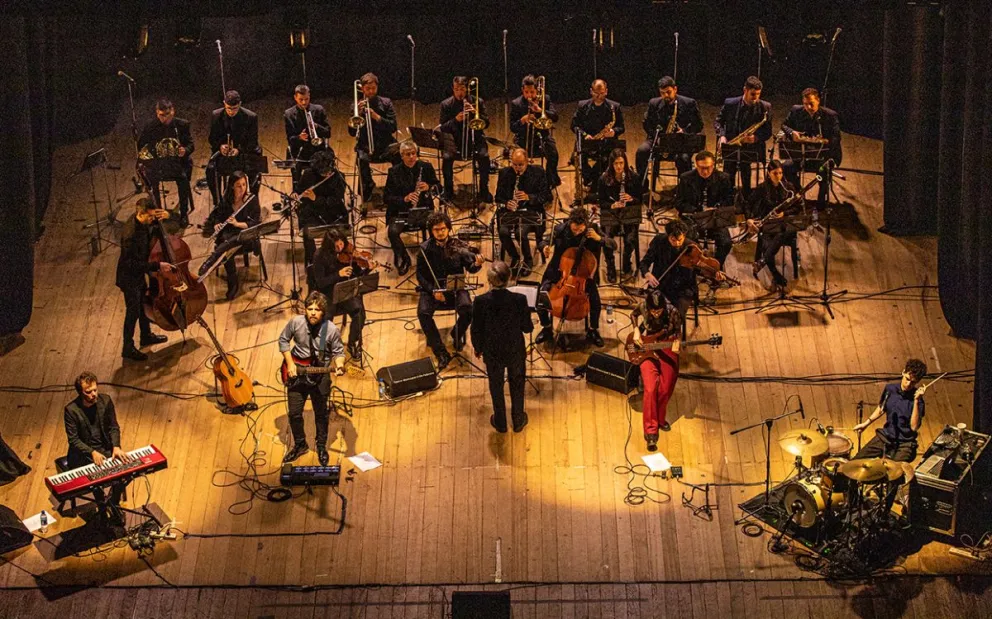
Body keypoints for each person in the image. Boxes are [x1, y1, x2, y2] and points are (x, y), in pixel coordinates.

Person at [851, 358, 929, 513]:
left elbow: (914, 427)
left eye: (912, 382)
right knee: (853, 465)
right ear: (903, 372)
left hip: (905, 444)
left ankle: (884, 512)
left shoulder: (918, 401)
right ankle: (854, 502)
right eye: (907, 379)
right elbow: (881, 408)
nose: (908, 384)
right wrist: (866, 423)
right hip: (886, 436)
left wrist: (916, 401)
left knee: (894, 476)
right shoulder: (890, 389)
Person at [278, 292, 346, 465]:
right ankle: (300, 445)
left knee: (321, 414)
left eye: (317, 309)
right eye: (310, 309)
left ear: (323, 312)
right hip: (296, 371)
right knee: (294, 414)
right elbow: (283, 341)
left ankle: (321, 446)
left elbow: (339, 352)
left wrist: (339, 364)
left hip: (320, 374)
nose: (313, 313)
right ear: (305, 309)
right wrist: (290, 364)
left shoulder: (330, 330)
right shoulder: (295, 322)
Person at [535, 207, 615, 348]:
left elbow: (612, 245)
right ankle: (546, 328)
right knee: (541, 297)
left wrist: (599, 238)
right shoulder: (560, 229)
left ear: (585, 224)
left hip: (584, 274)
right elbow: (542, 241)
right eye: (574, 230)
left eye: (580, 230)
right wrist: (545, 247)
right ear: (570, 223)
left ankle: (593, 330)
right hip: (559, 272)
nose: (577, 232)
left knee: (595, 301)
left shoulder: (593, 229)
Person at [471, 261, 534, 433]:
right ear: (509, 278)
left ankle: (500, 422)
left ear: (489, 281)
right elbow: (527, 327)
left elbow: (476, 328)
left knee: (496, 384)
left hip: (492, 351)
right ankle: (518, 419)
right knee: (517, 383)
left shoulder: (480, 301)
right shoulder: (520, 299)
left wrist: (478, 348)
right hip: (515, 349)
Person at [416, 212, 485, 370]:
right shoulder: (424, 249)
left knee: (468, 309)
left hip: (455, 286)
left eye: (443, 229)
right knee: (423, 313)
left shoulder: (459, 246)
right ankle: (440, 352)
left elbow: (471, 268)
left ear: (448, 229)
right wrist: (433, 290)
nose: (440, 232)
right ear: (431, 231)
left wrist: (478, 264)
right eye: (436, 230)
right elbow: (420, 275)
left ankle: (457, 333)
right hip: (433, 288)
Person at [63, 371, 128, 520]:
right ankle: (102, 506)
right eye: (88, 392)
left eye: (95, 390)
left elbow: (113, 427)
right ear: (80, 393)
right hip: (83, 455)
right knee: (97, 480)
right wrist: (92, 452)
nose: (94, 394)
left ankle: (114, 502)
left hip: (105, 449)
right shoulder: (71, 410)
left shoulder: (105, 401)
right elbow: (74, 440)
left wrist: (116, 446)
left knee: (124, 473)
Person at [116, 197, 173, 361]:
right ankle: (127, 347)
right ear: (139, 213)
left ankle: (146, 335)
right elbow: (133, 264)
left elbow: (158, 228)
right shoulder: (130, 235)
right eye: (149, 216)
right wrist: (156, 266)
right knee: (132, 312)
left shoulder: (143, 223)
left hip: (138, 274)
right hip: (129, 277)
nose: (152, 219)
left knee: (142, 305)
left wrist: (167, 216)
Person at [628, 290, 683, 451]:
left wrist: (678, 342)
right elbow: (633, 314)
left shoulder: (672, 311)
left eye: (659, 311)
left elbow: (678, 330)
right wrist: (636, 330)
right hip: (648, 346)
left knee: (665, 388)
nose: (656, 314)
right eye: (653, 311)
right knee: (651, 388)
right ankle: (650, 431)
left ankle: (659, 418)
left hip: (667, 344)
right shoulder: (644, 306)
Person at [197, 171, 260, 300]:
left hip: (246, 237)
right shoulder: (226, 200)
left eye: (244, 184)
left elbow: (255, 223)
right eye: (238, 185)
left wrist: (237, 224)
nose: (242, 189)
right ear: (231, 186)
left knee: (225, 245)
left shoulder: (251, 199)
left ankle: (212, 260)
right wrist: (216, 225)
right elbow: (217, 216)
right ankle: (233, 281)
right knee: (227, 246)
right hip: (229, 237)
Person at [311, 228, 372, 359]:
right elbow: (321, 282)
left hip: (345, 290)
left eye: (341, 244)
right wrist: (338, 274)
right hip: (327, 293)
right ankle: (322, 348)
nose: (340, 247)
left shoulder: (348, 253)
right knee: (326, 319)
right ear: (329, 245)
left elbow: (357, 275)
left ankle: (352, 342)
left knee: (359, 313)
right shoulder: (319, 256)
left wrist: (367, 270)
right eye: (336, 245)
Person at [635, 76, 704, 192]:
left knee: (684, 158)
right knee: (641, 151)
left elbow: (699, 124)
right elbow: (646, 124)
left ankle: (685, 190)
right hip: (658, 139)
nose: (666, 96)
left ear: (675, 89)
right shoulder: (654, 103)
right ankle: (643, 187)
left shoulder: (689, 103)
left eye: (668, 92)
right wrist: (656, 136)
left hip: (681, 141)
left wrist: (684, 131)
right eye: (662, 93)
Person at [383, 140, 440, 275]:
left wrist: (429, 187)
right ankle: (404, 257)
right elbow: (386, 198)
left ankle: (431, 256)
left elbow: (439, 187)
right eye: (407, 154)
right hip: (400, 212)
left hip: (423, 210)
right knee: (392, 232)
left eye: (413, 153)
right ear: (401, 156)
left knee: (435, 226)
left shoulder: (425, 167)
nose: (411, 157)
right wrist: (404, 199)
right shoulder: (393, 172)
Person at [137, 98, 195, 226]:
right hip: (159, 164)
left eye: (167, 114)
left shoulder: (182, 125)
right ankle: (158, 214)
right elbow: (141, 146)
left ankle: (184, 214)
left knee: (183, 179)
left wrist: (184, 150)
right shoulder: (150, 127)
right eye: (161, 115)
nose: (164, 119)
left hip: (177, 163)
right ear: (157, 113)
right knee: (152, 180)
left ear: (172, 111)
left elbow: (191, 144)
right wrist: (151, 155)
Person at [495, 147, 551, 276]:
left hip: (531, 210)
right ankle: (514, 256)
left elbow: (545, 196)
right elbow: (498, 197)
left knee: (520, 232)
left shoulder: (538, 172)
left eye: (520, 165)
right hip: (510, 211)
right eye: (514, 164)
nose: (517, 168)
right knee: (503, 232)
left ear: (527, 161)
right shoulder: (504, 173)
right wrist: (507, 203)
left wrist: (529, 197)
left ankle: (528, 259)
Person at [294, 150, 348, 283]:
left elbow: (335, 201)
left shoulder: (338, 177)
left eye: (329, 170)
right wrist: (296, 195)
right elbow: (299, 190)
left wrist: (315, 198)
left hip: (332, 213)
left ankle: (340, 261)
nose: (328, 174)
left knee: (341, 232)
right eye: (324, 172)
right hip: (312, 213)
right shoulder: (308, 175)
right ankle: (313, 263)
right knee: (308, 233)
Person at [781, 87, 842, 205]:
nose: (808, 107)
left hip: (823, 156)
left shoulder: (830, 115)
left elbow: (836, 138)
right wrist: (791, 133)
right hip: (802, 154)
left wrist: (824, 141)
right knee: (786, 167)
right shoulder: (796, 110)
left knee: (824, 170)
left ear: (818, 101)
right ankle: (798, 193)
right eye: (805, 104)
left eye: (811, 104)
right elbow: (784, 125)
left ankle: (821, 199)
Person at [715, 76, 773, 198]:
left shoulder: (765, 107)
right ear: (744, 90)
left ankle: (747, 197)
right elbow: (718, 122)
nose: (755, 98)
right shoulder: (730, 103)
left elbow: (768, 132)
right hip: (731, 144)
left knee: (745, 170)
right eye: (753, 94)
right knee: (728, 173)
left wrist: (756, 138)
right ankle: (728, 198)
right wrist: (722, 136)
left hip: (752, 148)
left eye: (758, 94)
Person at [676, 151, 735, 268]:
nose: (705, 171)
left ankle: (714, 267)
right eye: (701, 168)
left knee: (726, 243)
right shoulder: (686, 178)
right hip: (693, 219)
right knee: (689, 243)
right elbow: (679, 203)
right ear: (696, 165)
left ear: (713, 165)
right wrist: (698, 209)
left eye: (708, 168)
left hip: (715, 219)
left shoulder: (724, 178)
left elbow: (729, 201)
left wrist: (716, 208)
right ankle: (696, 267)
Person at [746, 160, 799, 291]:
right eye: (775, 173)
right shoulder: (762, 188)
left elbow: (798, 208)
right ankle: (776, 274)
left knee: (779, 236)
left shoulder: (789, 187)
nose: (779, 176)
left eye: (781, 173)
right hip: (769, 224)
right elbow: (748, 204)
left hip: (785, 224)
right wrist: (749, 219)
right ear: (768, 173)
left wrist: (784, 213)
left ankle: (762, 262)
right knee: (768, 245)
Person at [438, 76, 493, 202]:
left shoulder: (477, 101)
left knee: (484, 157)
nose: (460, 93)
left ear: (467, 89)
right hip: (454, 140)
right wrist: (455, 120)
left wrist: (475, 112)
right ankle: (448, 191)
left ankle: (484, 190)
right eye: (457, 89)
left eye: (462, 89)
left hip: (475, 139)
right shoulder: (446, 104)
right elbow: (443, 127)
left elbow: (487, 123)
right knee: (446, 158)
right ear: (453, 89)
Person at [348, 73, 399, 200]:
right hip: (366, 145)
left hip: (386, 144)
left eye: (373, 88)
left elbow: (393, 127)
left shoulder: (386, 103)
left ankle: (394, 187)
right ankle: (367, 188)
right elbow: (352, 133)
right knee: (361, 160)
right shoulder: (355, 106)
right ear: (362, 89)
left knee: (399, 156)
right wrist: (358, 113)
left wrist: (377, 117)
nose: (371, 91)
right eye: (368, 89)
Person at [207, 90, 261, 207]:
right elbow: (212, 139)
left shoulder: (250, 117)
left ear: (240, 104)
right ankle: (218, 203)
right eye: (228, 108)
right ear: (224, 103)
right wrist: (221, 147)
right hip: (224, 155)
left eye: (234, 108)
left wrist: (239, 150)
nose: (231, 112)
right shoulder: (216, 115)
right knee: (210, 170)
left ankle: (252, 204)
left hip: (243, 154)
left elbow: (253, 142)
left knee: (256, 170)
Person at [571, 79, 625, 192]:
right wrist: (585, 134)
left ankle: (598, 182)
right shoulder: (582, 106)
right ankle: (590, 181)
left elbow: (621, 127)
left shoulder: (614, 107)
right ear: (591, 91)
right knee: (578, 157)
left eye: (601, 93)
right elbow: (574, 126)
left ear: (606, 91)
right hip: (589, 140)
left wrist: (613, 132)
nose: (598, 96)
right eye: (596, 93)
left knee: (608, 159)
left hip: (607, 142)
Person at [509, 74, 561, 188]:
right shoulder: (516, 103)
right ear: (522, 90)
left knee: (553, 154)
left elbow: (555, 117)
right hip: (523, 137)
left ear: (537, 90)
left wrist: (541, 110)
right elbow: (512, 127)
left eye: (532, 92)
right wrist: (522, 121)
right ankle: (522, 183)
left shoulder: (545, 99)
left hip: (543, 135)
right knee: (519, 158)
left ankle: (549, 181)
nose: (529, 96)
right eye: (526, 92)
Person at [598, 148, 641, 282]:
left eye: (621, 163)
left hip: (628, 213)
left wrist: (631, 199)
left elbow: (640, 200)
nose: (619, 167)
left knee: (630, 239)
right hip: (612, 213)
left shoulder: (634, 177)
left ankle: (626, 262)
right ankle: (610, 266)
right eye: (616, 163)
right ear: (611, 164)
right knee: (607, 238)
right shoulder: (604, 179)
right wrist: (612, 205)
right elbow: (601, 203)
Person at [639, 219, 697, 318]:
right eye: (673, 240)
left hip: (682, 289)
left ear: (684, 235)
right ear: (668, 236)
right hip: (660, 284)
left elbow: (700, 270)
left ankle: (673, 332)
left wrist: (714, 274)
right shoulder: (659, 241)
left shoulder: (692, 247)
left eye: (680, 240)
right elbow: (644, 262)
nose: (677, 243)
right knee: (652, 314)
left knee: (675, 318)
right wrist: (647, 274)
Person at [283, 84, 332, 193]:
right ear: (295, 97)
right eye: (301, 99)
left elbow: (328, 133)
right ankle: (297, 192)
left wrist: (317, 127)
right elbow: (290, 138)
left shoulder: (319, 110)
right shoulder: (289, 114)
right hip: (300, 150)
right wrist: (299, 137)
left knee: (327, 162)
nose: (304, 103)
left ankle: (323, 191)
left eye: (306, 99)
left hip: (317, 149)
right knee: (297, 167)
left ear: (309, 96)